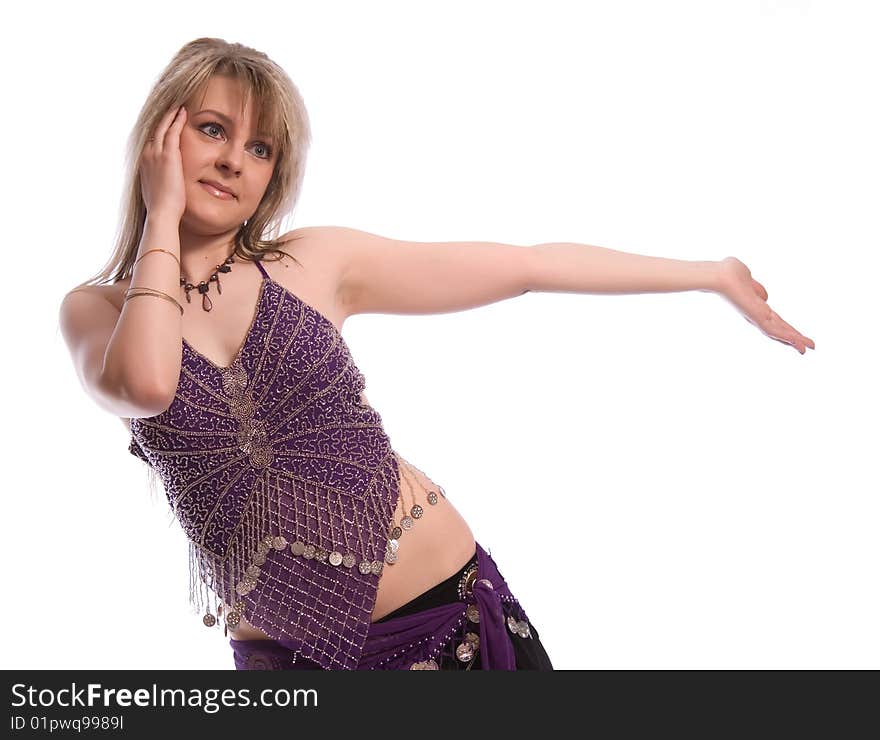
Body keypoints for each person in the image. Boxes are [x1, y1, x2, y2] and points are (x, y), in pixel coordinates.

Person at [57, 38, 814, 671]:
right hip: (291, 665)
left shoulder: (313, 262)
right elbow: (149, 383)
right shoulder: (95, 312)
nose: (234, 162)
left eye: (260, 148)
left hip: (448, 615)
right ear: (164, 132)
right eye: (213, 131)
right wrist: (162, 217)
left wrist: (708, 276)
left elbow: (526, 266)